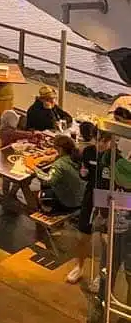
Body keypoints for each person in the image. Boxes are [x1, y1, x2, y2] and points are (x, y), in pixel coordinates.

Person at [67, 121, 99, 284]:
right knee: (82, 235)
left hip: (111, 198)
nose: (103, 143)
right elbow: (84, 175)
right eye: (99, 138)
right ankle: (79, 266)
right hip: (91, 195)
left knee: (106, 239)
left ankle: (103, 274)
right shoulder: (88, 152)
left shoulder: (117, 157)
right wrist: (83, 172)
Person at [36, 135, 84, 213]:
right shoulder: (77, 157)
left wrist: (35, 170)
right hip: (82, 200)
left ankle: (45, 213)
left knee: (40, 194)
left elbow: (48, 181)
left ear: (60, 149)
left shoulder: (59, 164)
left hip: (69, 204)